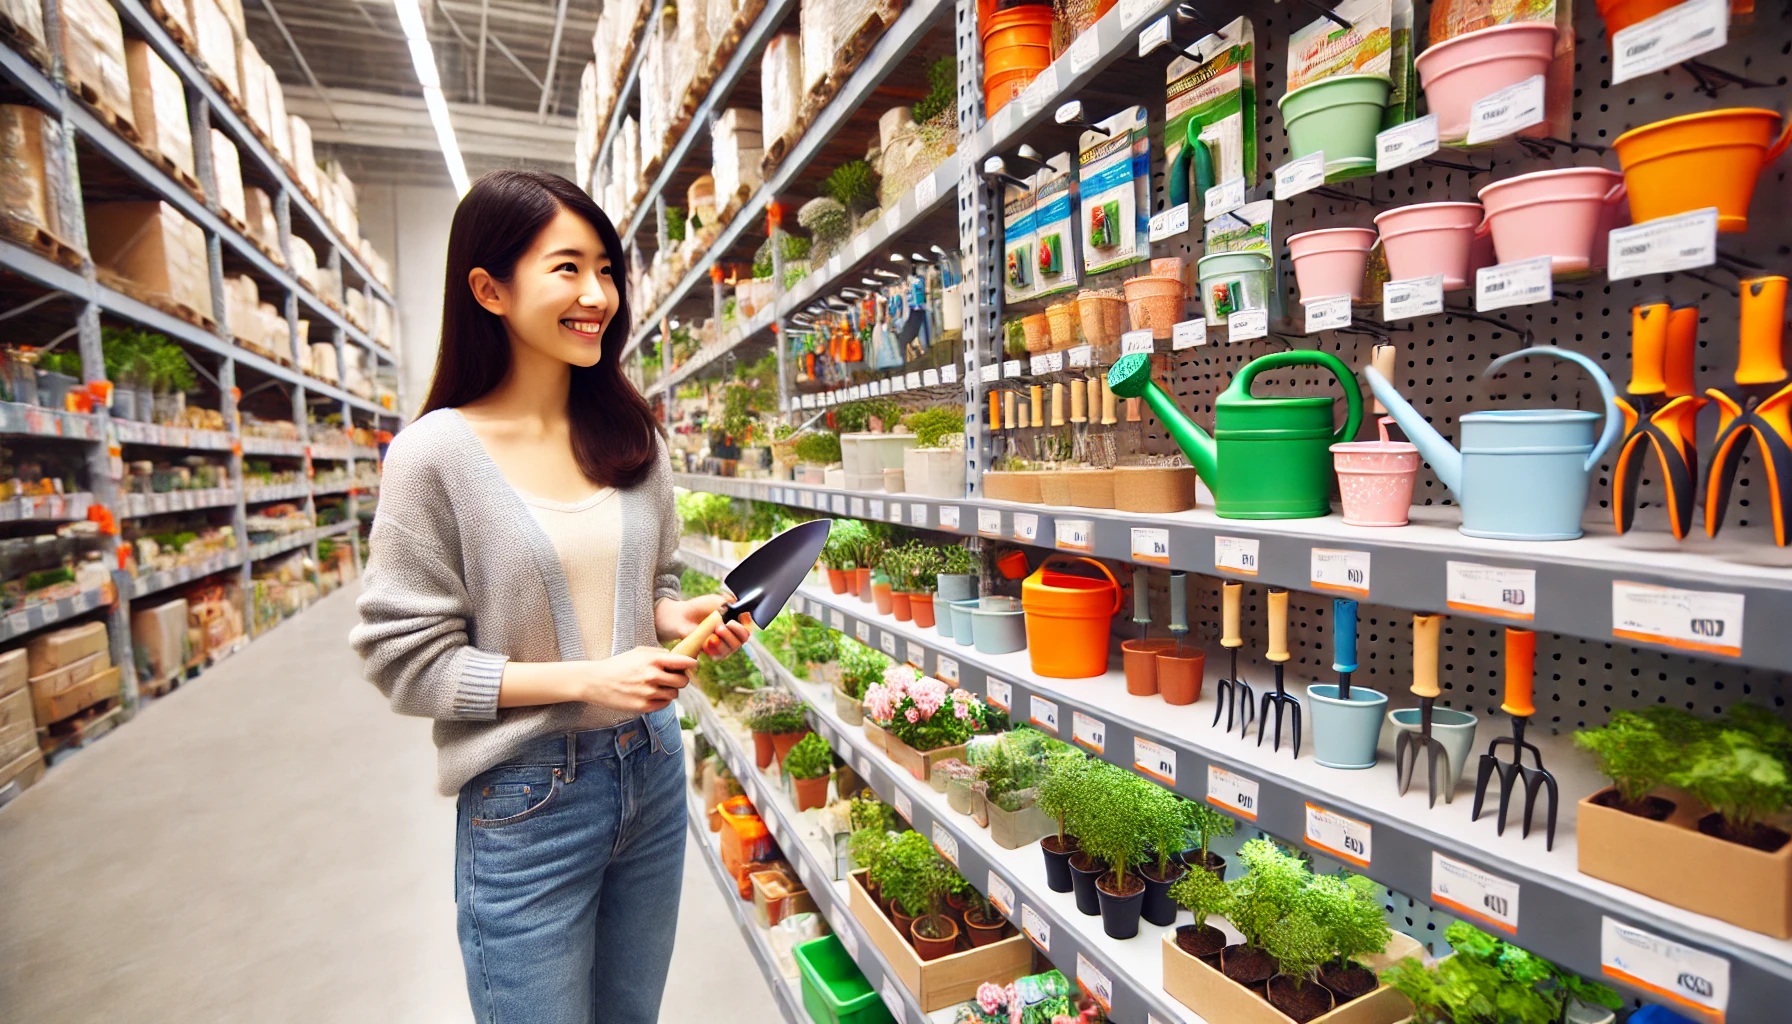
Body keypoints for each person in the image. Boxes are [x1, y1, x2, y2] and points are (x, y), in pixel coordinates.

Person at [350, 169, 751, 1024]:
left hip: (651, 769)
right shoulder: (432, 458)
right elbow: (403, 661)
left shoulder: (629, 434)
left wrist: (673, 619)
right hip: (528, 799)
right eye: (567, 268)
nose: (596, 295)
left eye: (605, 269)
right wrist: (582, 681)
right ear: (489, 289)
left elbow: (656, 583)